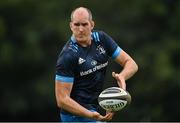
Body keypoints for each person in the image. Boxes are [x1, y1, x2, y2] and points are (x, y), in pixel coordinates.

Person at [55, 7, 138, 122]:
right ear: (71, 26)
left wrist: (122, 76)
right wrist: (89, 114)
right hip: (75, 117)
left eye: (84, 24)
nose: (80, 29)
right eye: (76, 24)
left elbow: (131, 64)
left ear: (92, 25)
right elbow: (62, 99)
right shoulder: (68, 56)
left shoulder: (102, 39)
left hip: (94, 110)